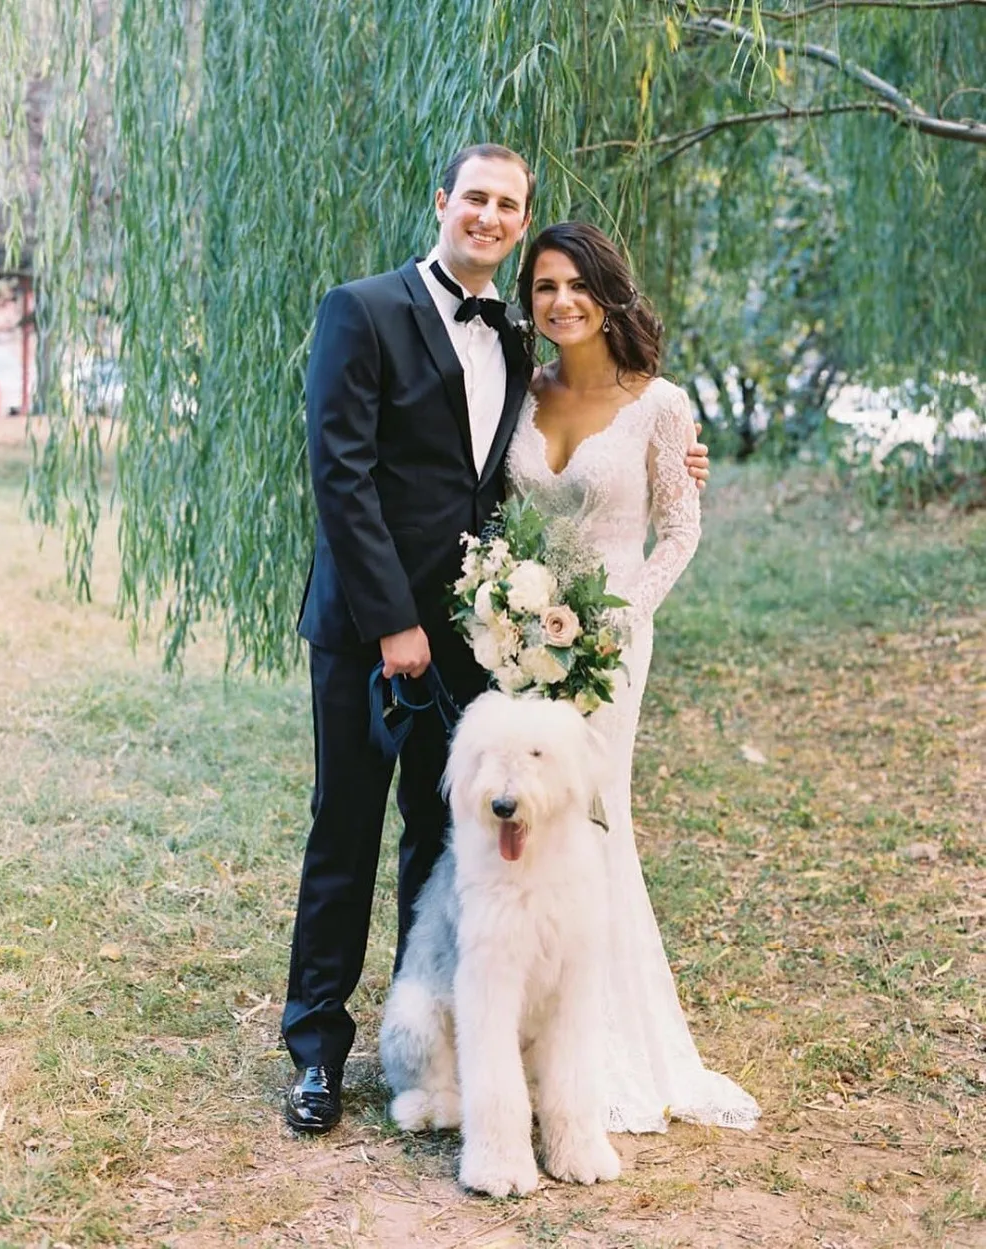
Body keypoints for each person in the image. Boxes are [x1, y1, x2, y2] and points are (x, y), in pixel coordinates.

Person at [282, 147, 710, 1134]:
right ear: (442, 202)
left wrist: (675, 452)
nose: (487, 215)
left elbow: (571, 444)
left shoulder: (521, 344)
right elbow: (339, 475)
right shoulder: (364, 309)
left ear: (519, 223)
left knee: (448, 847)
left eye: (506, 205)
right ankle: (315, 1048)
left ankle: (426, 1039)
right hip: (365, 630)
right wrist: (393, 622)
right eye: (473, 196)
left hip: (481, 645)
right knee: (344, 831)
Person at [506, 221, 760, 1133]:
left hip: (611, 643)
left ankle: (603, 1043)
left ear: (607, 290)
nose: (560, 301)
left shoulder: (661, 403)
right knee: (523, 830)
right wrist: (506, 612)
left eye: (575, 283)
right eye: (542, 287)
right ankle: (525, 1037)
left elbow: (679, 529)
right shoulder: (517, 393)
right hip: (521, 637)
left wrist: (626, 613)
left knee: (594, 820)